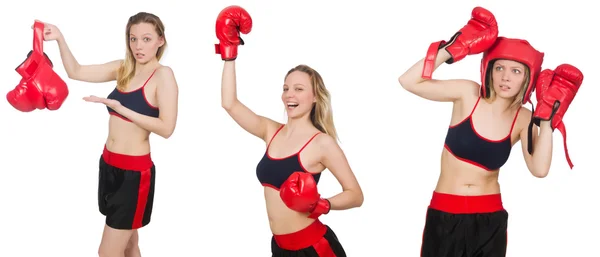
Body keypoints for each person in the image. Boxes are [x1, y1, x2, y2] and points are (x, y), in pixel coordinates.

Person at [398, 6, 583, 257]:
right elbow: (409, 81)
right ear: (488, 69)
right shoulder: (468, 93)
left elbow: (539, 169)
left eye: (516, 71)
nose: (506, 77)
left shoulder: (523, 118)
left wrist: (548, 118)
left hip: (489, 219)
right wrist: (451, 49)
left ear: (527, 78)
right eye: (500, 68)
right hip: (445, 213)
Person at [216, 5, 363, 257]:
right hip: (280, 247)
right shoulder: (270, 131)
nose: (289, 95)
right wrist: (229, 53)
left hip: (315, 248)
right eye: (286, 88)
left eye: (298, 89)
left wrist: (322, 205)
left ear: (315, 96)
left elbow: (356, 195)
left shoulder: (322, 144)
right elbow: (229, 104)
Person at [37, 12, 179, 257]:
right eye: (133, 39)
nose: (138, 46)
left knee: (107, 252)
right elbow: (76, 71)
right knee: (130, 245)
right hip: (109, 165)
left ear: (160, 40)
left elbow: (167, 128)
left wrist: (122, 110)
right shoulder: (123, 68)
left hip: (134, 175)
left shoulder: (163, 75)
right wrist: (60, 38)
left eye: (146, 39)